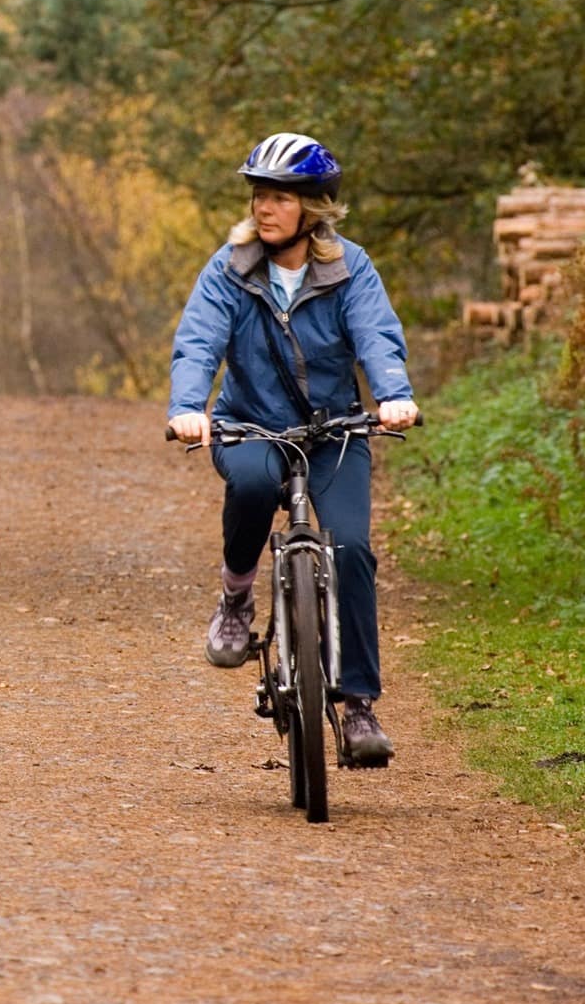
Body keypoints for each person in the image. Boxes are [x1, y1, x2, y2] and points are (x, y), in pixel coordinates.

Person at [164, 133, 420, 763]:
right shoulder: (231, 266)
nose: (263, 208)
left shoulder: (349, 267)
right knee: (250, 484)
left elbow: (376, 336)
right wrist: (186, 408)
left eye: (278, 197)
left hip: (333, 434)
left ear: (313, 207)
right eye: (258, 195)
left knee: (353, 549)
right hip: (251, 424)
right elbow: (199, 340)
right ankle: (235, 597)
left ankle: (358, 706)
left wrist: (393, 395)